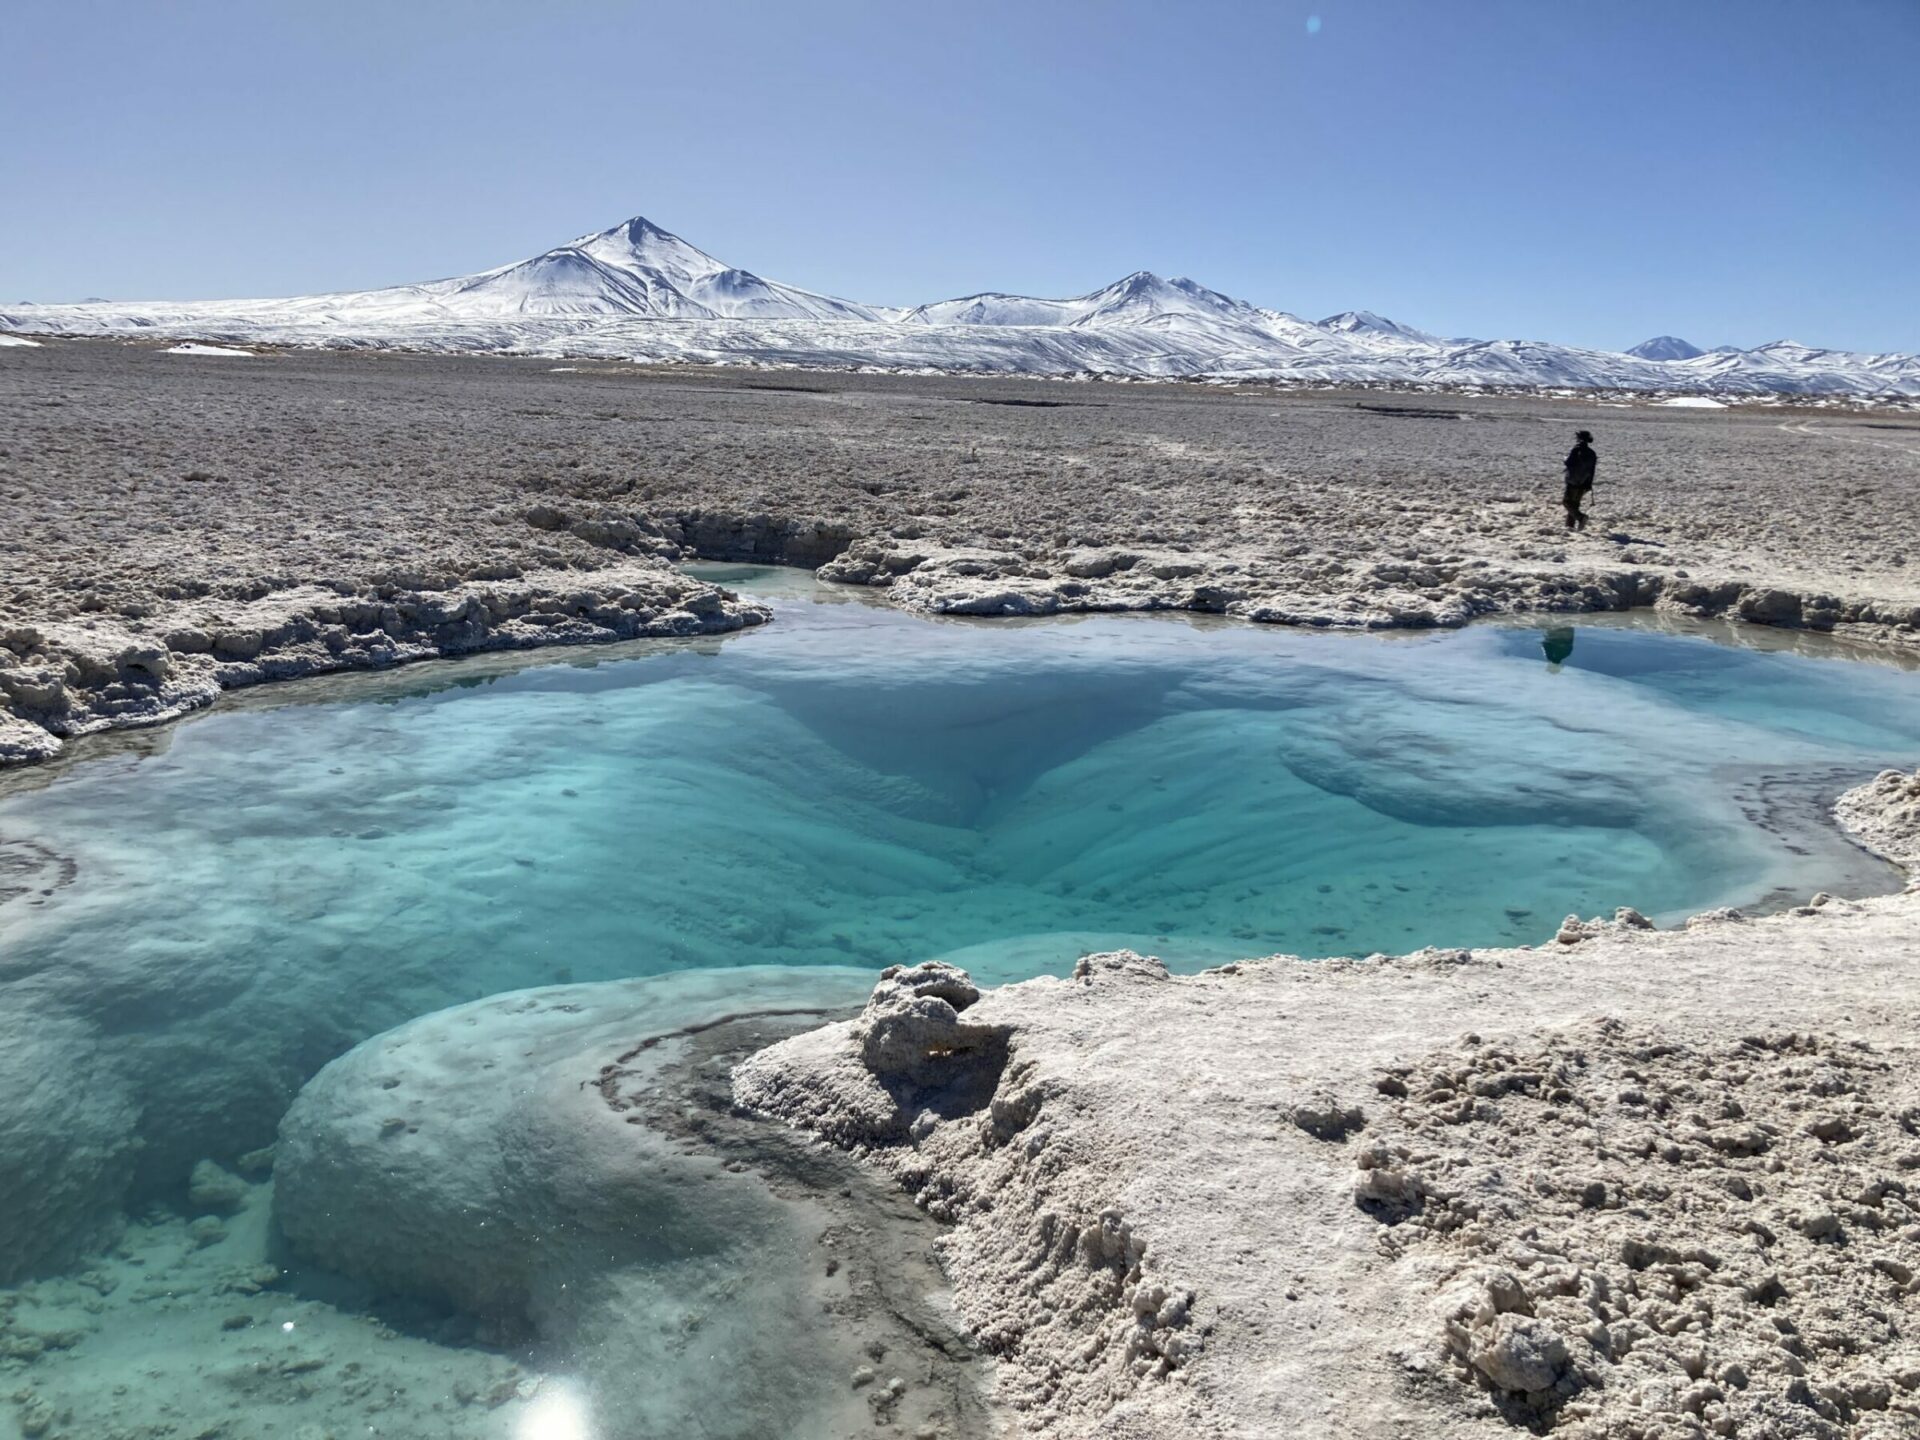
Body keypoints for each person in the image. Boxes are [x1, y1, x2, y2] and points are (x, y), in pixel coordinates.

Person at [1562, 429, 1597, 530]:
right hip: (1584, 483)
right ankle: (1569, 527)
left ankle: (1581, 518)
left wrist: (1564, 458)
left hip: (1573, 481)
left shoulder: (1576, 449)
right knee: (1575, 504)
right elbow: (1592, 470)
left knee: (1567, 502)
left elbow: (1568, 462)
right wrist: (1589, 484)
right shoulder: (1592, 453)